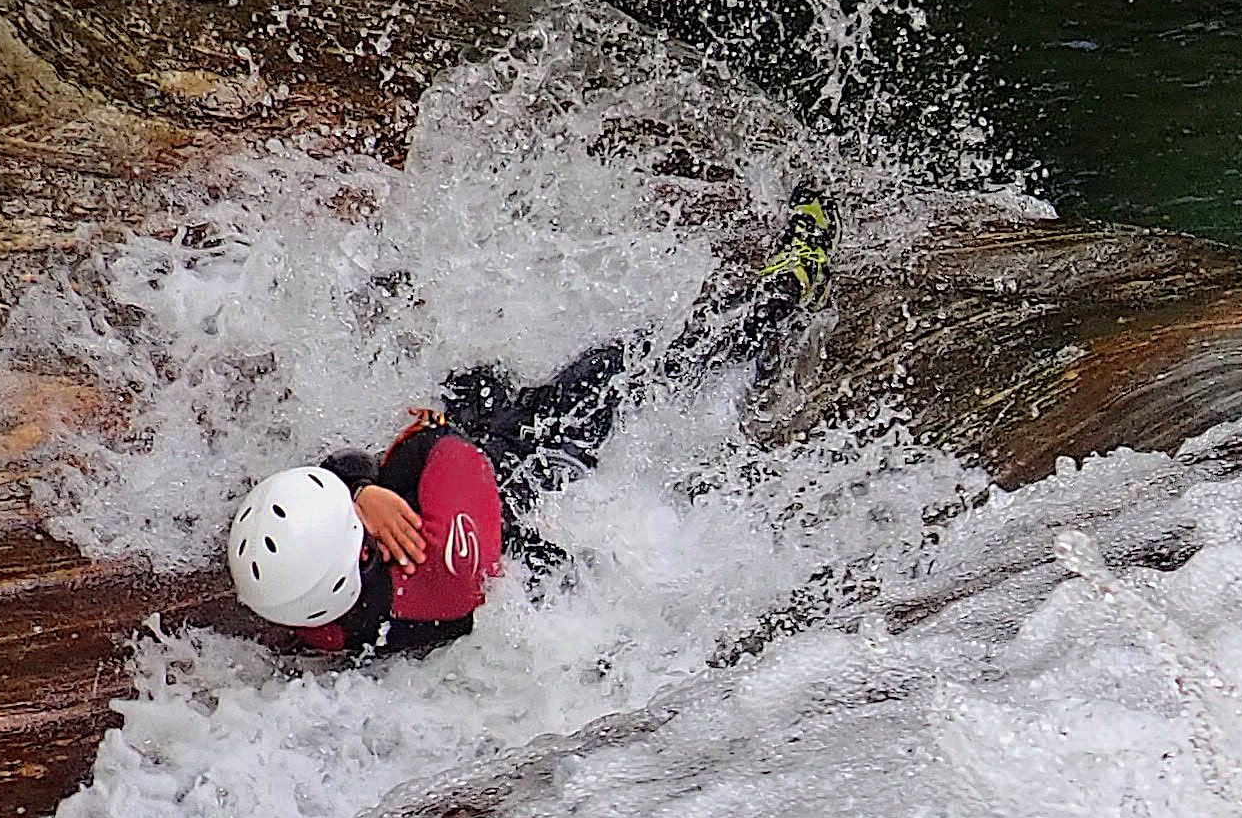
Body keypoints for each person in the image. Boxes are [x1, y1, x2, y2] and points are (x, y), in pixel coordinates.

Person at [223, 193, 833, 659]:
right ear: (362, 558)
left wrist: (358, 490)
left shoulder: (311, 606)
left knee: (478, 380)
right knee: (618, 370)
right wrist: (389, 476)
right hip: (519, 484)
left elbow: (333, 477)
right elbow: (452, 449)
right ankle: (779, 299)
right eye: (354, 526)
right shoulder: (439, 569)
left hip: (478, 519)